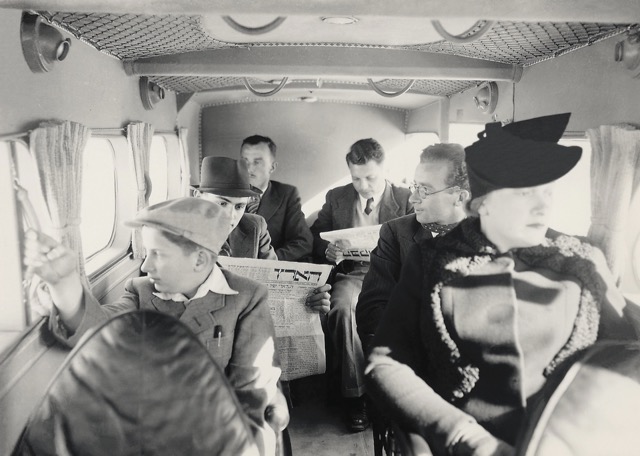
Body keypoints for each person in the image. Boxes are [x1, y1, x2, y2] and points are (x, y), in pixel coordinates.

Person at [365, 113, 640, 456]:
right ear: (482, 203)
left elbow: (626, 354)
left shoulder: (583, 261)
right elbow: (385, 364)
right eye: (526, 194)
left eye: (548, 192)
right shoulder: (431, 261)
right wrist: (465, 437)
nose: (544, 205)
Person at [23, 197, 287, 456]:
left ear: (199, 260)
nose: (145, 265)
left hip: (214, 432)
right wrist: (64, 281)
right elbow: (100, 331)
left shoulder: (246, 299)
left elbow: (251, 393)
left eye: (157, 254)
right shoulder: (140, 291)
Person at [310, 138, 413, 432]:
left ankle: (399, 392)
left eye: (370, 177)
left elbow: (415, 248)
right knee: (341, 309)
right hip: (353, 275)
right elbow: (317, 241)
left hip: (394, 277)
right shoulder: (337, 197)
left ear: (384, 170)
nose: (363, 185)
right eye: (356, 178)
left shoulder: (405, 198)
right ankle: (356, 396)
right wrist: (328, 252)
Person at [356, 143, 470, 351]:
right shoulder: (396, 233)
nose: (412, 198)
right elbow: (372, 310)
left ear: (460, 197)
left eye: (424, 190)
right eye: (415, 187)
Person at [240, 135, 313, 262]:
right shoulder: (226, 194)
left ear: (272, 167)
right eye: (244, 161)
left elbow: (303, 242)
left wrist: (269, 261)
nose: (249, 168)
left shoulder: (287, 194)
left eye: (257, 162)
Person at [195, 156, 277, 260]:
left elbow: (272, 273)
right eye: (222, 204)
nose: (231, 216)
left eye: (239, 206)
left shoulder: (256, 226)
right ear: (198, 198)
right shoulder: (176, 233)